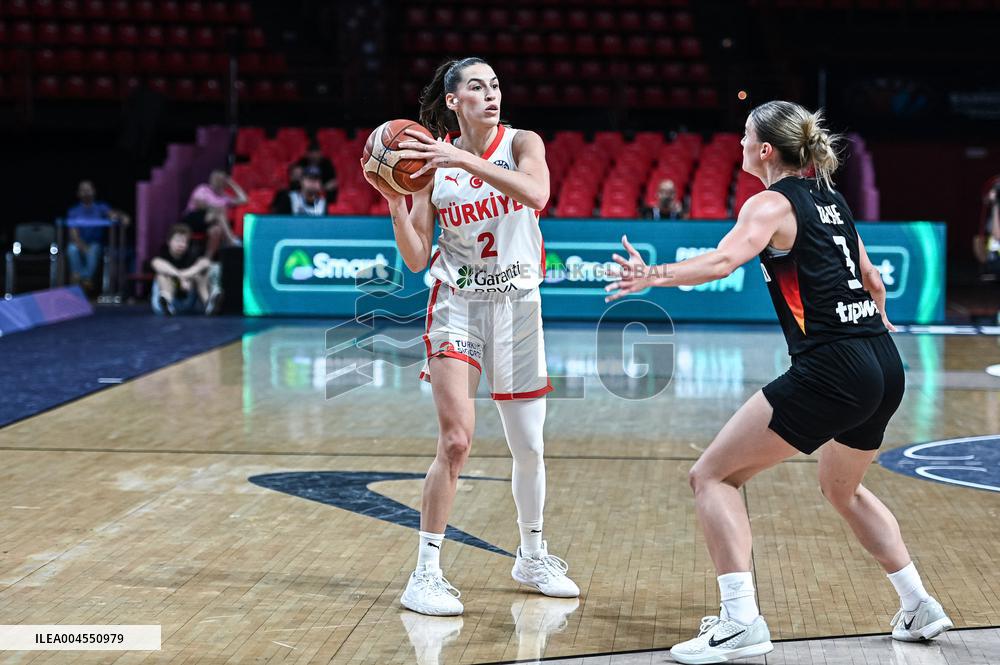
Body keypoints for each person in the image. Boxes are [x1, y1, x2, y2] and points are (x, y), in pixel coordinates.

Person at [605, 101, 953, 664]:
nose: (739, 144)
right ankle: (918, 604)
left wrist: (653, 275)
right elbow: (870, 279)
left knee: (711, 477)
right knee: (843, 489)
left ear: (766, 150)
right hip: (883, 361)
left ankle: (741, 622)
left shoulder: (769, 203)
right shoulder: (832, 200)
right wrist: (874, 319)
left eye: (745, 136)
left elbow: (722, 262)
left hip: (833, 367)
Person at [360, 57, 579, 616]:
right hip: (457, 304)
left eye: (496, 85)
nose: (491, 94)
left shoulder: (523, 142)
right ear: (453, 100)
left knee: (529, 447)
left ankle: (532, 555)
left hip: (518, 308)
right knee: (456, 441)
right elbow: (414, 259)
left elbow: (536, 195)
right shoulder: (432, 165)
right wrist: (394, 202)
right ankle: (425, 574)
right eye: (477, 87)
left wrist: (461, 158)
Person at [66, 180, 130, 293]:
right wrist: (83, 246)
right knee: (72, 249)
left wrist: (122, 216)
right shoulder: (74, 211)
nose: (86, 192)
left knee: (94, 249)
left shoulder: (101, 207)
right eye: (83, 190)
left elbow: (114, 215)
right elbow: (73, 234)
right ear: (78, 193)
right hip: (80, 243)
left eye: (88, 189)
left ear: (94, 191)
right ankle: (84, 280)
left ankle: (82, 279)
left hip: (96, 243)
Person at [151, 223, 221, 315]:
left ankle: (208, 303)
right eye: (178, 241)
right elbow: (155, 263)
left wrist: (187, 275)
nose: (181, 244)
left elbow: (205, 262)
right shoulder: (163, 254)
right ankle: (166, 301)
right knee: (162, 275)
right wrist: (179, 277)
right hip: (166, 299)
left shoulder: (191, 255)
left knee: (200, 274)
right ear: (169, 241)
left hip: (186, 297)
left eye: (184, 242)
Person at [182, 170, 247, 259]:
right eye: (214, 178)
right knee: (219, 211)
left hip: (210, 222)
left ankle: (207, 259)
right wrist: (216, 208)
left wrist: (231, 183)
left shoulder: (224, 197)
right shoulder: (203, 189)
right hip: (194, 217)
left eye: (220, 179)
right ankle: (230, 240)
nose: (216, 182)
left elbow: (244, 199)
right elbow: (199, 204)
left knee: (216, 230)